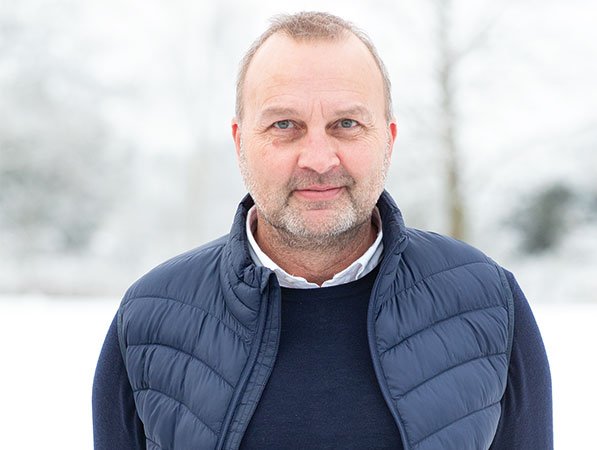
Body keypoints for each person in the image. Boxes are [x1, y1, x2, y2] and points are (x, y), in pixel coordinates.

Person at [92, 11, 552, 450]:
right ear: (240, 142)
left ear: (388, 140)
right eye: (284, 124)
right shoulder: (149, 319)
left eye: (346, 124)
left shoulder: (489, 304)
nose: (318, 158)